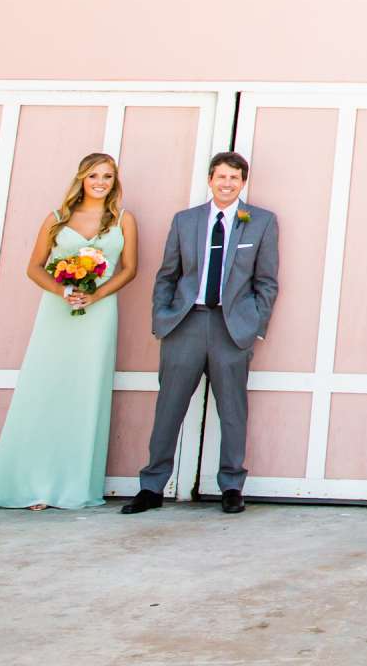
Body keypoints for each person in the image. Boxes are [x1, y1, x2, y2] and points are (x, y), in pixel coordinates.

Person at [0, 152, 139, 510]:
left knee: (85, 391)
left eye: (108, 176)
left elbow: (129, 269)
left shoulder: (124, 220)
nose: (101, 182)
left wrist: (96, 295)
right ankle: (32, 484)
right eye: (94, 175)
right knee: (45, 388)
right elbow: (34, 268)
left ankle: (72, 486)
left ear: (115, 182)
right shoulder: (56, 219)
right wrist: (62, 290)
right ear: (81, 178)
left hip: (99, 312)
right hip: (57, 310)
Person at [123, 151, 279, 514]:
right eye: (221, 177)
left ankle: (231, 486)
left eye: (234, 178)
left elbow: (267, 281)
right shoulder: (186, 220)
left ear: (243, 183)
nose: (227, 183)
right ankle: (152, 486)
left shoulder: (261, 222)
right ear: (210, 180)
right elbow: (168, 274)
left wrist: (254, 324)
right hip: (186, 323)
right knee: (169, 407)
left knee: (233, 410)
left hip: (231, 327)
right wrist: (162, 319)